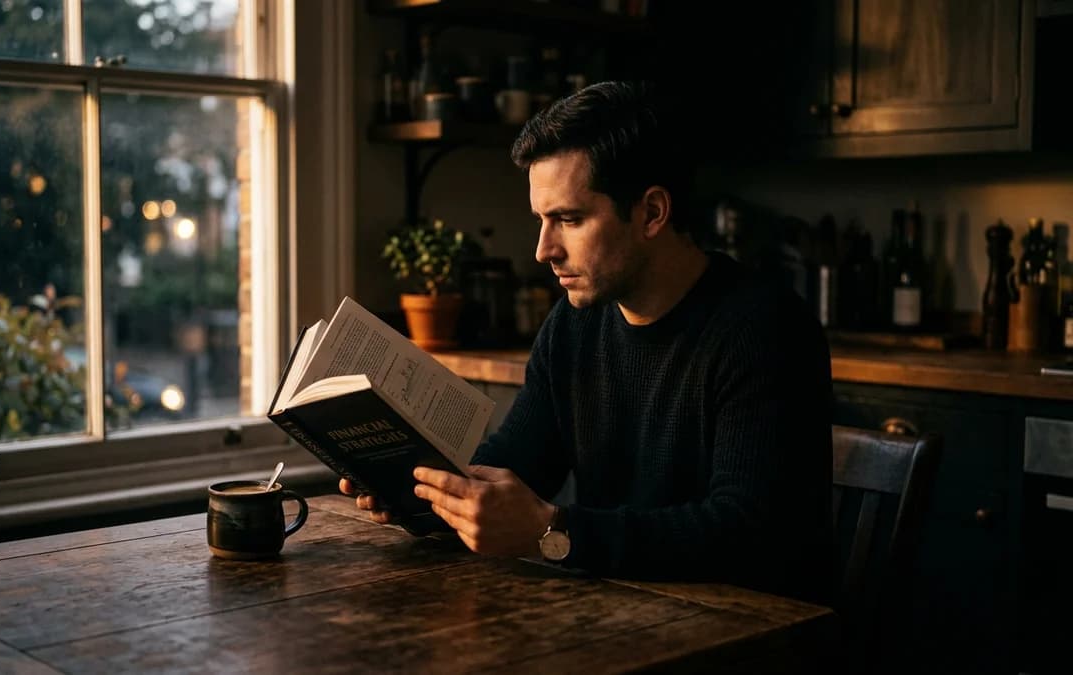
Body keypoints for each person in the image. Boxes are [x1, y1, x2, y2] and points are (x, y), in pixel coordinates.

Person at [341, 81, 833, 604]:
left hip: (753, 635)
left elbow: (746, 531)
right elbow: (517, 465)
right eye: (540, 221)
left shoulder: (764, 329)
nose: (542, 250)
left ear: (652, 213)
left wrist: (553, 531)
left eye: (569, 220)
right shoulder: (574, 325)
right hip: (618, 613)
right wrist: (418, 491)